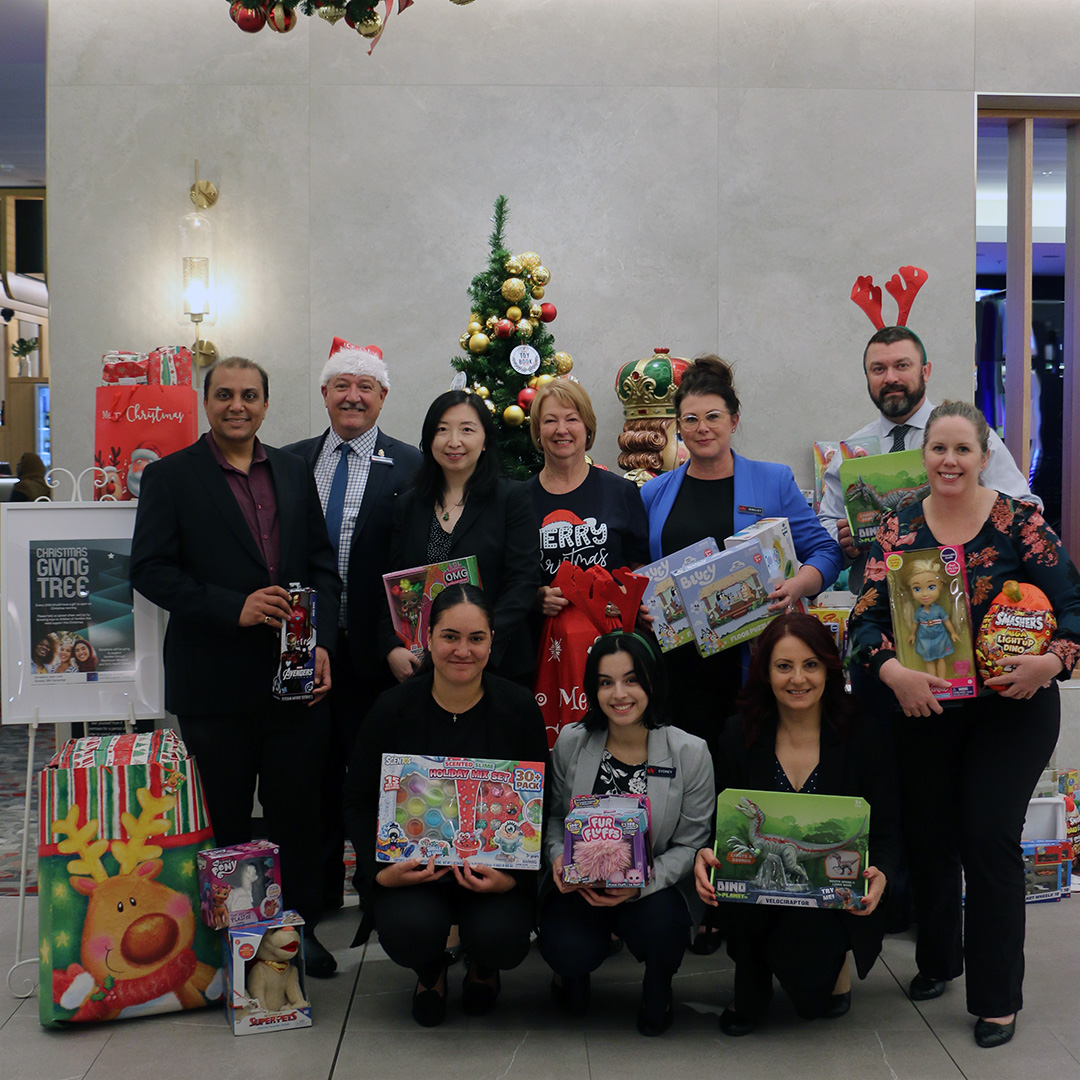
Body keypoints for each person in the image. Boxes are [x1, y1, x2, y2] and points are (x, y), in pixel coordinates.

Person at [848, 400, 1080, 1048]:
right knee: (929, 836)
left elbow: (1074, 607)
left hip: (1014, 708)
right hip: (925, 706)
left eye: (962, 450)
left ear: (984, 456)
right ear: (924, 458)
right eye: (938, 450)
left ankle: (998, 998)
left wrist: (1049, 662)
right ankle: (938, 961)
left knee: (987, 836)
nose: (949, 461)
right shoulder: (897, 529)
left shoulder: (1019, 525)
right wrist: (892, 673)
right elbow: (864, 620)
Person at [130, 356, 342, 979]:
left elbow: (323, 568)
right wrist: (234, 607)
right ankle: (231, 944)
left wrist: (322, 640)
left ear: (266, 404)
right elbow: (150, 570)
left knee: (297, 816)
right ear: (206, 400)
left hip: (295, 680)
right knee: (225, 818)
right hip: (213, 681)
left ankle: (295, 934)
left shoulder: (296, 472)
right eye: (224, 395)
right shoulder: (171, 477)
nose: (237, 406)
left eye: (250, 395)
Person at [344, 584, 549, 1027]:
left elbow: (540, 804)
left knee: (502, 937)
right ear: (429, 639)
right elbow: (358, 799)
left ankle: (484, 965)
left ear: (492, 640)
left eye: (476, 638)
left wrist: (512, 880)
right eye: (450, 636)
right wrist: (380, 874)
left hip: (494, 872)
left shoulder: (518, 709)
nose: (463, 650)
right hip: (417, 874)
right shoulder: (392, 709)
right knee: (408, 930)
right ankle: (430, 970)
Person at [694, 613, 898, 1035]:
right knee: (742, 883)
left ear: (829, 668)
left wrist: (883, 872)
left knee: (811, 1001)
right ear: (765, 672)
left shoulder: (863, 735)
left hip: (832, 894)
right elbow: (721, 824)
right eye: (783, 666)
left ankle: (833, 967)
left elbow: (888, 829)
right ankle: (750, 985)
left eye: (810, 665)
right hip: (757, 895)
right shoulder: (738, 734)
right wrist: (705, 853)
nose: (798, 679)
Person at [640, 355, 843, 751]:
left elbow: (826, 552)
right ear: (678, 428)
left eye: (713, 416)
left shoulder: (773, 481)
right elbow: (636, 569)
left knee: (742, 765)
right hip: (676, 664)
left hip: (751, 659)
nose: (702, 428)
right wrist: (639, 605)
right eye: (690, 420)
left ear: (733, 421)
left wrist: (798, 585)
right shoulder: (653, 493)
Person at [283, 337, 422, 913]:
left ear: (383, 396)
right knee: (310, 781)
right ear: (324, 393)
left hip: (375, 655)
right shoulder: (289, 463)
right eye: (342, 385)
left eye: (365, 386)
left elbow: (420, 563)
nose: (353, 396)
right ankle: (313, 907)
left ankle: (378, 892)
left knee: (374, 779)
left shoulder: (414, 464)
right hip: (307, 653)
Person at [539, 631, 713, 1036]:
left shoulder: (690, 752)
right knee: (566, 946)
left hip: (652, 889)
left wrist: (640, 884)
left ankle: (659, 984)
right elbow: (553, 820)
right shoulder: (572, 742)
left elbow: (693, 843)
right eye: (605, 682)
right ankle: (572, 974)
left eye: (632, 679)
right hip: (579, 885)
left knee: (663, 927)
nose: (619, 694)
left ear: (653, 680)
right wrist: (557, 856)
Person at [818, 326, 1037, 573]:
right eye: (879, 369)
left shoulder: (969, 437)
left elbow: (1026, 508)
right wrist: (843, 544)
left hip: (963, 588)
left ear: (925, 371)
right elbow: (824, 526)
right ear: (868, 377)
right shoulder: (850, 453)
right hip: (879, 600)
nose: (890, 378)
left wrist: (973, 527)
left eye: (902, 366)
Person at [379, 390, 540, 683]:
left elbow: (523, 581)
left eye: (467, 429)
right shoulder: (409, 504)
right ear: (429, 441)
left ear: (484, 441)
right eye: (442, 430)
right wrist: (391, 646)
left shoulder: (512, 498)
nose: (454, 441)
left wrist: (481, 643)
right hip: (423, 666)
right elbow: (393, 584)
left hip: (496, 666)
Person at [527, 379, 649, 590]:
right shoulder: (521, 499)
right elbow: (511, 579)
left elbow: (642, 567)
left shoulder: (621, 492)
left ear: (587, 427)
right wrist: (535, 599)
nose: (561, 429)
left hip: (614, 621)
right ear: (537, 431)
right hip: (548, 623)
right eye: (550, 421)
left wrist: (626, 599)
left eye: (572, 419)